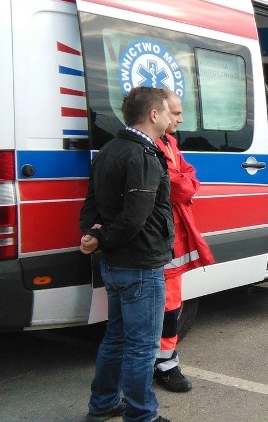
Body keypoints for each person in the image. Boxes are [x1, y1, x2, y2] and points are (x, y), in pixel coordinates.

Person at [79, 86, 173, 422]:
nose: (170, 117)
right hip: (140, 263)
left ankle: (102, 404)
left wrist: (92, 234)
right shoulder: (142, 155)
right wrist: (101, 240)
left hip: (115, 264)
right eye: (166, 111)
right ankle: (142, 415)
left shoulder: (108, 149)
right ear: (152, 115)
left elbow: (90, 202)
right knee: (142, 347)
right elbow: (135, 216)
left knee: (116, 338)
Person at [152, 89, 215, 392]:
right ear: (157, 113)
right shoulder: (153, 146)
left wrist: (186, 181)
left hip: (171, 234)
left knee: (172, 302)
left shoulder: (170, 142)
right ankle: (164, 363)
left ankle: (164, 359)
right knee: (165, 304)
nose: (180, 118)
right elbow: (180, 188)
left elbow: (187, 177)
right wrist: (186, 182)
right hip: (162, 236)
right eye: (175, 113)